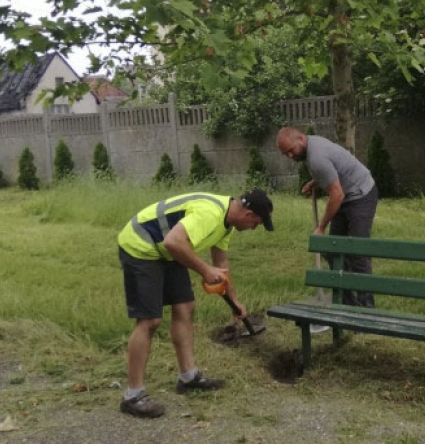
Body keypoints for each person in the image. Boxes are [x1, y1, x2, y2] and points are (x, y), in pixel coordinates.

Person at [116, 189, 274, 418]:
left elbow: (221, 264)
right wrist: (204, 269)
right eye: (257, 223)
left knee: (185, 308)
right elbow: (174, 241)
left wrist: (235, 300)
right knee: (150, 320)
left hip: (169, 250)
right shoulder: (210, 213)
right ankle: (133, 395)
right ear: (248, 215)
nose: (253, 228)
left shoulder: (227, 223)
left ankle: (188, 378)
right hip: (141, 246)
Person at [276, 127, 378, 309]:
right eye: (285, 154)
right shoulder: (311, 148)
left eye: (291, 150)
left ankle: (366, 310)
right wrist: (316, 182)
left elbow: (336, 195)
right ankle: (347, 303)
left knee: (358, 253)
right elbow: (334, 169)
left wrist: (321, 227)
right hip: (345, 196)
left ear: (300, 138)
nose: (290, 156)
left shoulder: (316, 157)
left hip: (361, 194)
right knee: (332, 250)